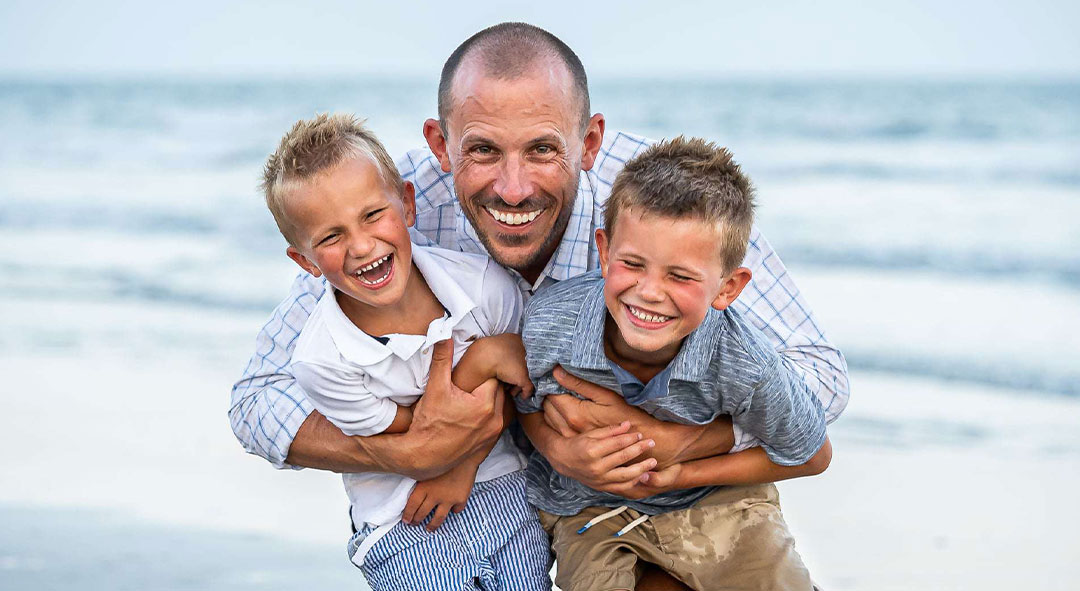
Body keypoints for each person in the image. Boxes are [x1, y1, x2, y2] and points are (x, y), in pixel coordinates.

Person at [230, 21, 850, 590]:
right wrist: (406, 452)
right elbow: (258, 398)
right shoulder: (383, 214)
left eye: (542, 150)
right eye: (482, 151)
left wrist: (676, 440)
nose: (513, 187)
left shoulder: (661, 210)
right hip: (520, 509)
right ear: (440, 145)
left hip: (681, 490)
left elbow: (817, 375)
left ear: (590, 142)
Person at [518, 136, 831, 591]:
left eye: (680, 276)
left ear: (728, 287)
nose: (649, 291)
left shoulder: (745, 362)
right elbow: (525, 407)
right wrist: (557, 451)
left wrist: (683, 473)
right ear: (604, 251)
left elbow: (811, 454)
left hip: (717, 500)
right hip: (590, 505)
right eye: (633, 264)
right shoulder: (550, 322)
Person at [259, 112, 551, 590]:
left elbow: (525, 388)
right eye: (331, 237)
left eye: (373, 215)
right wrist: (485, 359)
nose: (360, 245)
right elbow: (422, 437)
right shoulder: (322, 362)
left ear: (408, 206)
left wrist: (464, 466)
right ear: (304, 261)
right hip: (404, 527)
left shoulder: (483, 287)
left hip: (508, 496)